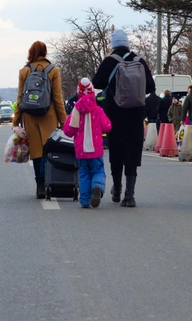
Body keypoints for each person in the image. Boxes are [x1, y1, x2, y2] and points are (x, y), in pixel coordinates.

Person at [92, 29, 155, 207]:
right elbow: (151, 86)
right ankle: (130, 194)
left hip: (115, 114)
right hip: (136, 114)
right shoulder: (139, 61)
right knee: (133, 151)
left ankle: (117, 189)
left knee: (117, 150)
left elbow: (96, 82)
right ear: (127, 43)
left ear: (112, 45)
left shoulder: (110, 62)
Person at [13, 40, 67, 199]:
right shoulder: (53, 70)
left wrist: (16, 121)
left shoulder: (24, 71)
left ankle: (40, 186)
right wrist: (64, 121)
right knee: (49, 150)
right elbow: (58, 98)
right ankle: (50, 182)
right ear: (45, 52)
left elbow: (20, 98)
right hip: (49, 115)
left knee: (36, 152)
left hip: (30, 116)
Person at [63, 78, 112, 208]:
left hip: (81, 151)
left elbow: (68, 130)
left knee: (83, 173)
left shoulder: (76, 111)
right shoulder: (98, 110)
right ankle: (97, 186)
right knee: (98, 171)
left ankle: (85, 200)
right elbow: (107, 126)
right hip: (96, 149)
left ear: (78, 93)